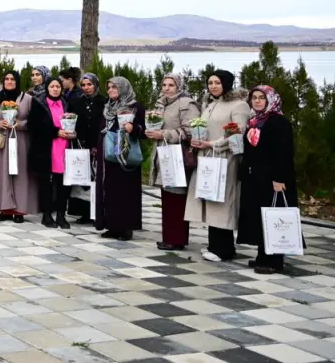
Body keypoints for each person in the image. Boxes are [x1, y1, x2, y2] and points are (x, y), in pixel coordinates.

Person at [185, 70, 250, 262]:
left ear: (227, 83)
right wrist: (197, 141)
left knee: (222, 202)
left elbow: (236, 133)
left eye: (217, 82)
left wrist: (213, 145)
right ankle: (215, 244)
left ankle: (224, 248)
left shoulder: (239, 105)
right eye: (210, 82)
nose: (213, 86)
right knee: (210, 199)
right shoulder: (210, 104)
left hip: (225, 160)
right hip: (207, 158)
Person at [238, 85, 297, 275]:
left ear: (271, 99)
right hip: (255, 178)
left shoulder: (278, 122)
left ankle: (274, 260)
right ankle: (262, 255)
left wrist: (279, 178)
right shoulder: (255, 121)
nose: (257, 101)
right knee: (259, 215)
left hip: (273, 178)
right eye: (254, 97)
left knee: (273, 215)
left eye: (261, 97)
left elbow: (284, 153)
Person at [145, 73, 201, 250]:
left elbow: (191, 130)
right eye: (164, 85)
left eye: (171, 85)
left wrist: (165, 134)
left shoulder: (186, 104)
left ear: (179, 86)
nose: (167, 88)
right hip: (163, 152)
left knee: (176, 197)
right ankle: (169, 236)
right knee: (167, 197)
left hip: (178, 155)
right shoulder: (161, 103)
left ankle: (177, 238)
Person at [96, 76, 145, 241]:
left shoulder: (134, 106)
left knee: (126, 190)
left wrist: (133, 128)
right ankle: (112, 225)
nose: (110, 90)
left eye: (114, 87)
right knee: (110, 189)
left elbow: (143, 130)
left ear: (123, 88)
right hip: (109, 153)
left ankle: (126, 227)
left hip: (126, 153)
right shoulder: (107, 107)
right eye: (108, 87)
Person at [0, 70, 39, 222]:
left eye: (12, 79)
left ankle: (20, 210)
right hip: (3, 141)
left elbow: (33, 121)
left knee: (20, 174)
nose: (9, 82)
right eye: (6, 79)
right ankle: (5, 209)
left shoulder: (27, 99)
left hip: (21, 140)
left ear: (17, 81)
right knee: (2, 174)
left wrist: (20, 124)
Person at [28, 75, 75, 229]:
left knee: (64, 184)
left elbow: (73, 122)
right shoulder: (39, 103)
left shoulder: (65, 102)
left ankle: (61, 215)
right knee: (46, 184)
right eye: (52, 87)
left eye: (58, 87)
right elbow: (33, 127)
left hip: (65, 148)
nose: (55, 89)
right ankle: (46, 215)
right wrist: (56, 133)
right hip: (46, 149)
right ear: (47, 88)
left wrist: (72, 132)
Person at [67, 74, 105, 224]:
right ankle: (83, 213)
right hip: (80, 145)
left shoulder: (103, 101)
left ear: (95, 85)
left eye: (89, 84)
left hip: (97, 145)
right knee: (81, 179)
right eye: (83, 85)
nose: (86, 88)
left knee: (96, 179)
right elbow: (70, 119)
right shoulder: (76, 101)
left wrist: (97, 145)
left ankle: (97, 213)